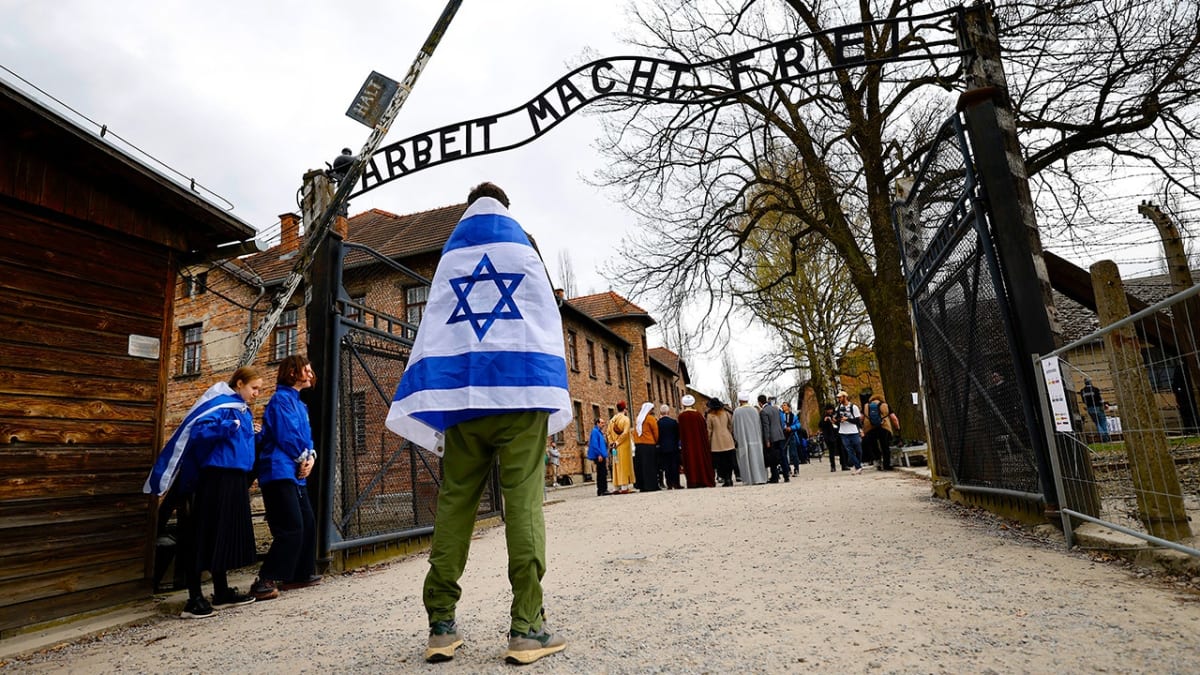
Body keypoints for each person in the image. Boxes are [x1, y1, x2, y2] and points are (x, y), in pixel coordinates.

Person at [385, 182, 571, 665]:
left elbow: (438, 321)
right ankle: (527, 627)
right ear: (506, 206)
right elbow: (542, 314)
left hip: (464, 396)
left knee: (455, 504)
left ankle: (441, 625)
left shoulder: (452, 255)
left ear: (467, 206)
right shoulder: (522, 247)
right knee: (524, 503)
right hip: (521, 391)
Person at [145, 367, 263, 618]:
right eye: (254, 388)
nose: (256, 394)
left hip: (234, 478)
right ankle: (193, 598)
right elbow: (198, 432)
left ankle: (221, 591)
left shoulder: (240, 408)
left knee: (224, 535)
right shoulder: (221, 405)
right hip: (216, 478)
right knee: (205, 535)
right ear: (239, 383)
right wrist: (227, 426)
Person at [251, 355, 320, 602]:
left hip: (295, 471)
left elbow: (306, 436)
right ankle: (265, 580)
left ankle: (298, 574)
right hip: (278, 470)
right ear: (292, 373)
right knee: (291, 526)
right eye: (307, 370)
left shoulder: (300, 405)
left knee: (308, 523)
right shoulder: (280, 400)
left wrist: (311, 457)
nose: (311, 374)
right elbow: (286, 435)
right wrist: (303, 457)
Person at [678, 395, 715, 488]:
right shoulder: (698, 415)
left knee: (690, 461)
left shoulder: (682, 416)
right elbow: (704, 429)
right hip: (698, 444)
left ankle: (692, 481)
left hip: (687, 444)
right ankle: (702, 479)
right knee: (700, 460)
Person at [732, 392, 769, 485]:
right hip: (756, 439)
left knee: (746, 460)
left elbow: (734, 426)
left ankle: (749, 479)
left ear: (740, 400)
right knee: (757, 458)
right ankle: (760, 478)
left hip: (743, 439)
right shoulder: (754, 410)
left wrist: (736, 437)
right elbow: (759, 425)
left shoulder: (737, 411)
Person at [706, 398, 737, 487]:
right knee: (729, 460)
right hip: (727, 439)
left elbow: (709, 430)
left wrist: (709, 441)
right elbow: (730, 426)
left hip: (716, 441)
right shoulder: (726, 414)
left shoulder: (710, 416)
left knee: (720, 462)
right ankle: (729, 478)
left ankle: (724, 478)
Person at [758, 394, 787, 483]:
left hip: (772, 437)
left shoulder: (763, 412)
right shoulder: (776, 409)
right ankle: (786, 475)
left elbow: (766, 427)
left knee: (772, 457)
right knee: (782, 456)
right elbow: (781, 422)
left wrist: (767, 440)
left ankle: (775, 476)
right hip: (780, 435)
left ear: (759, 402)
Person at [835, 390, 864, 474]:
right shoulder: (838, 408)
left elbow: (857, 420)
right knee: (849, 449)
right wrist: (837, 420)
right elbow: (837, 419)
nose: (839, 399)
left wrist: (847, 419)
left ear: (845, 397)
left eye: (840, 397)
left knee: (858, 449)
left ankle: (856, 464)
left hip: (854, 430)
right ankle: (858, 466)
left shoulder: (853, 407)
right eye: (838, 398)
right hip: (843, 432)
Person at [863, 393, 895, 471]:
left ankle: (878, 462)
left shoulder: (866, 406)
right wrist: (897, 427)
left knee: (874, 446)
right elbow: (893, 417)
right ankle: (886, 465)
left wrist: (862, 427)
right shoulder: (885, 405)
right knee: (885, 446)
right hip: (883, 427)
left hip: (870, 428)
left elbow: (861, 417)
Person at [633, 402, 660, 492]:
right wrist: (655, 441)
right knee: (650, 466)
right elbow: (655, 432)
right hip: (649, 445)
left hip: (639, 445)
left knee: (640, 466)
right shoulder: (650, 419)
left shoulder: (638, 419)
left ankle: (642, 485)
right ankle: (651, 485)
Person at [657, 404, 682, 489]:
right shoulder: (673, 422)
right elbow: (678, 435)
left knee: (667, 467)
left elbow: (658, 436)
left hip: (663, 448)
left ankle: (669, 484)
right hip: (673, 447)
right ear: (668, 412)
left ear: (661, 412)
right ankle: (676, 483)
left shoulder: (658, 423)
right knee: (675, 466)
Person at [1079, 378, 1111, 443]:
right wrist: (1104, 404)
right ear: (1090, 382)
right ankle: (1105, 437)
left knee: (1097, 423)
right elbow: (1099, 399)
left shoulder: (1082, 391)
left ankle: (1103, 436)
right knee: (1103, 421)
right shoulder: (1095, 389)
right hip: (1098, 407)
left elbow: (1083, 401)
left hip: (1090, 408)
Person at [587, 419, 610, 496]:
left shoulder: (599, 432)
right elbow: (595, 444)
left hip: (602, 455)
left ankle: (603, 489)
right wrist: (599, 454)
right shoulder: (595, 432)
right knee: (601, 472)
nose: (603, 424)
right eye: (602, 423)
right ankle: (602, 489)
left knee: (603, 472)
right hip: (599, 455)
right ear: (597, 423)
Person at [818, 404, 844, 472]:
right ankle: (833, 466)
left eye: (831, 409)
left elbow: (840, 422)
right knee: (831, 452)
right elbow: (820, 425)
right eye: (828, 410)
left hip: (837, 434)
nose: (830, 411)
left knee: (841, 450)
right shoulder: (824, 416)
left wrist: (834, 420)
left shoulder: (836, 415)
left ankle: (844, 465)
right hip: (829, 436)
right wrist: (824, 420)